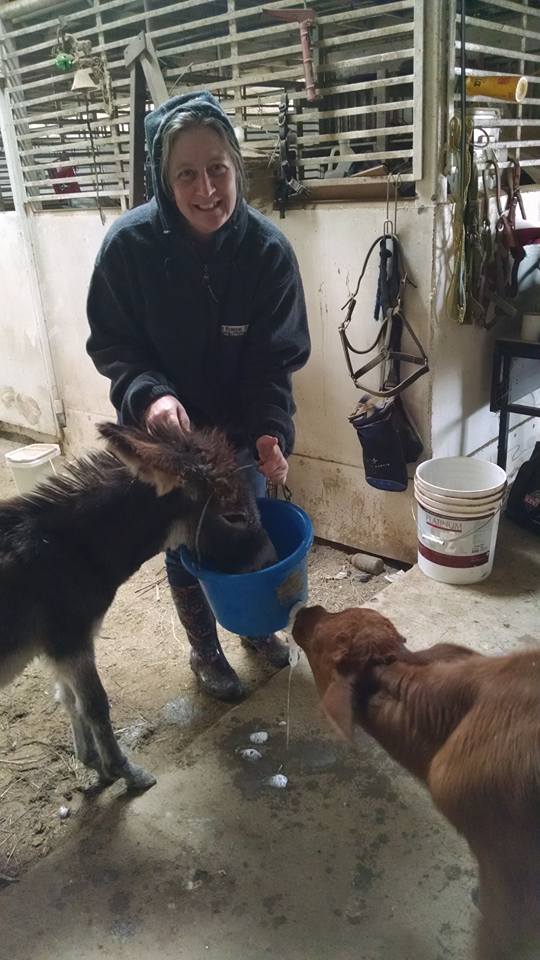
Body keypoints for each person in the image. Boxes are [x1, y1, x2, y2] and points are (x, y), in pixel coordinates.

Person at [86, 90, 310, 702]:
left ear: (236, 166)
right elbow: (113, 344)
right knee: (186, 544)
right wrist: (149, 397)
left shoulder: (266, 254)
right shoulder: (128, 249)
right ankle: (204, 651)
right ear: (164, 179)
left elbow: (274, 360)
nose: (206, 188)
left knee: (247, 527)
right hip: (169, 438)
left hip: (237, 431)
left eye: (218, 168)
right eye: (186, 173)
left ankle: (257, 632)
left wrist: (270, 430)